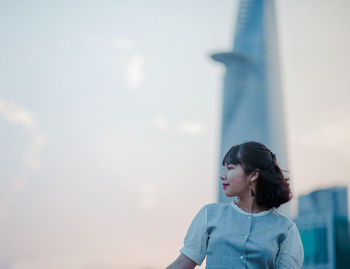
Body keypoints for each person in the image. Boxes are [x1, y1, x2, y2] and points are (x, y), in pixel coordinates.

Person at [166, 141, 304, 269]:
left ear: (253, 174)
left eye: (230, 168)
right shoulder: (209, 214)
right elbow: (182, 264)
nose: (222, 175)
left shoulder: (286, 229)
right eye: (223, 168)